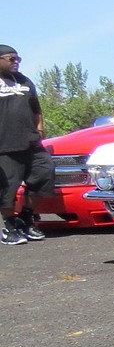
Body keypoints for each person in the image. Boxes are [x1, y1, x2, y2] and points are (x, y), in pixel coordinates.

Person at [0, 44, 53, 244]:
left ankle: (26, 218)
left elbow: (36, 109)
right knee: (7, 190)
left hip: (31, 143)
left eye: (18, 59)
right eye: (11, 59)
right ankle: (10, 226)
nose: (16, 62)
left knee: (44, 175)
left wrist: (39, 130)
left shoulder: (24, 81)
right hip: (4, 146)